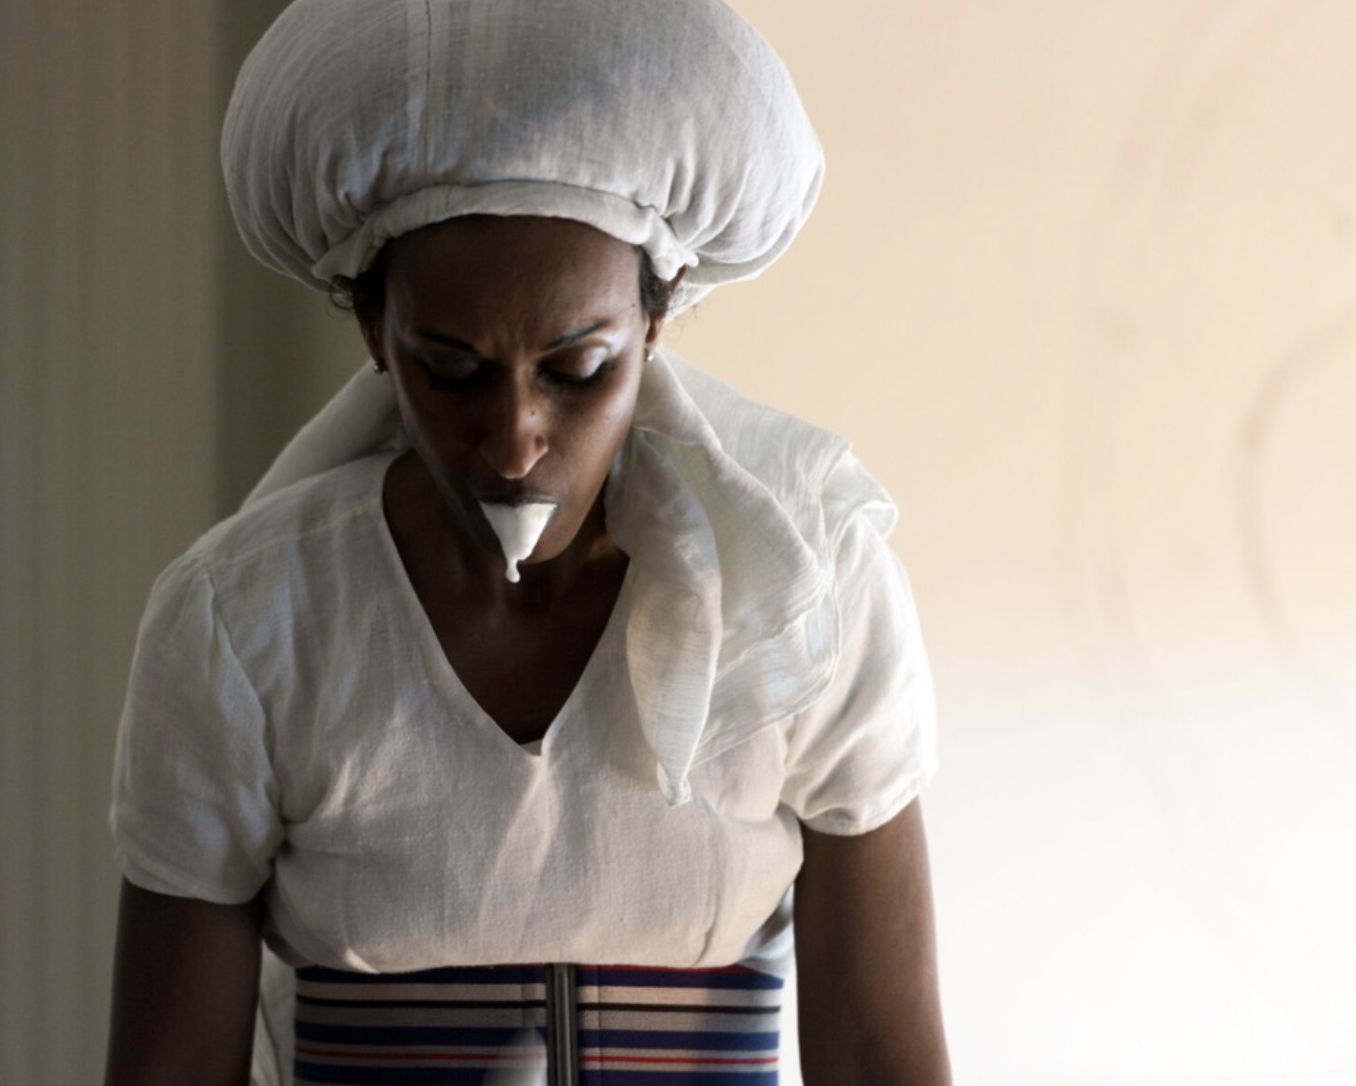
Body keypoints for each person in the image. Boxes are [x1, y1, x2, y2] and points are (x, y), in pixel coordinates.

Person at [103, 1, 951, 1083]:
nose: (514, 443)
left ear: (655, 319)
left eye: (577, 369)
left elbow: (880, 1052)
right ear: (372, 329)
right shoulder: (245, 626)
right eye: (452, 371)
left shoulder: (808, 595)